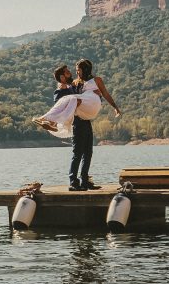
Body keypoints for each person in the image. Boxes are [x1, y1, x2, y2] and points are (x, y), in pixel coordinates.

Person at [33, 59, 121, 190]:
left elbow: (104, 94)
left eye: (78, 70)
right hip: (77, 120)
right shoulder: (75, 84)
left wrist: (114, 106)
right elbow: (61, 99)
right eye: (75, 71)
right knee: (77, 152)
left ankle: (85, 181)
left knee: (88, 152)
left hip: (86, 118)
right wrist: (61, 87)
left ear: (85, 69)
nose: (76, 73)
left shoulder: (96, 80)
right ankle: (74, 182)